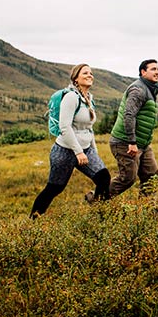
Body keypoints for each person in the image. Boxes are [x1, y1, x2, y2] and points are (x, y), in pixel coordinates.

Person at [30, 64, 111, 218]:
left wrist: (93, 150)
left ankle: (101, 217)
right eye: (85, 73)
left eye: (91, 73)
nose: (90, 75)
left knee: (103, 178)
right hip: (65, 151)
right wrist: (78, 151)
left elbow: (88, 128)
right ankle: (33, 221)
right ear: (75, 78)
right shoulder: (71, 97)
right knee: (54, 188)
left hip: (86, 149)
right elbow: (65, 127)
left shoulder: (89, 99)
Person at [107, 59, 158, 198]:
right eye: (153, 69)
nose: (157, 72)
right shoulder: (138, 89)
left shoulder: (148, 89)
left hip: (143, 143)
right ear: (143, 72)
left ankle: (145, 210)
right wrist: (132, 142)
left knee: (151, 175)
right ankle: (97, 199)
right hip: (125, 142)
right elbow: (129, 115)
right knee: (127, 178)